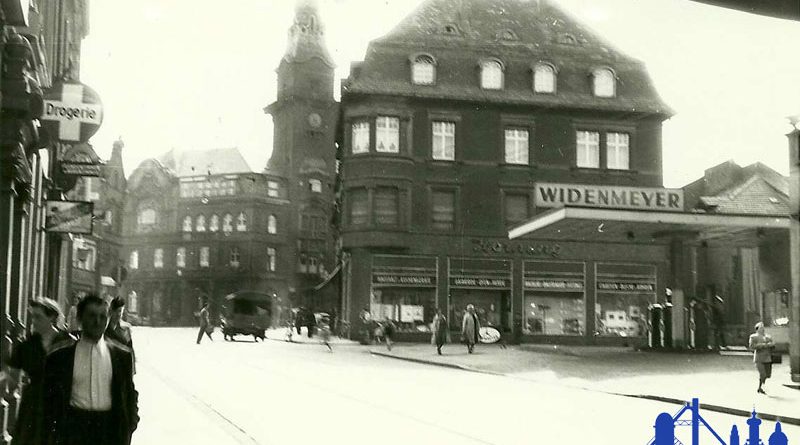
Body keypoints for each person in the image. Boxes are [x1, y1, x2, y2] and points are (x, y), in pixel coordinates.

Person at [42, 294, 139, 445]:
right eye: (92, 315)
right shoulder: (60, 356)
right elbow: (48, 399)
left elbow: (129, 392)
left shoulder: (121, 356)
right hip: (74, 429)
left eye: (103, 316)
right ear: (80, 319)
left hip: (109, 430)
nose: (97, 321)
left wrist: (130, 424)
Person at [4, 298, 73, 445]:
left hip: (60, 406)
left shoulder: (68, 344)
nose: (33, 321)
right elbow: (11, 377)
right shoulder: (27, 346)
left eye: (38, 317)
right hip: (33, 407)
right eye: (32, 316)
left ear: (52, 317)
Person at [106, 297, 135, 372]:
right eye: (116, 311)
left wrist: (132, 370)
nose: (119, 314)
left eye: (120, 311)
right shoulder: (105, 328)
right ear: (111, 311)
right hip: (108, 367)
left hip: (123, 368)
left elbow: (130, 350)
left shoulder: (126, 329)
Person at [748, 322, 775, 394]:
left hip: (767, 358)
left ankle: (760, 387)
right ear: (757, 329)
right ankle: (761, 387)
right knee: (763, 373)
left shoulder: (768, 337)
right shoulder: (753, 337)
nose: (763, 329)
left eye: (763, 328)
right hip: (759, 358)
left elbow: (773, 345)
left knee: (768, 375)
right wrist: (764, 345)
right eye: (761, 328)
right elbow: (752, 346)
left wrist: (771, 345)